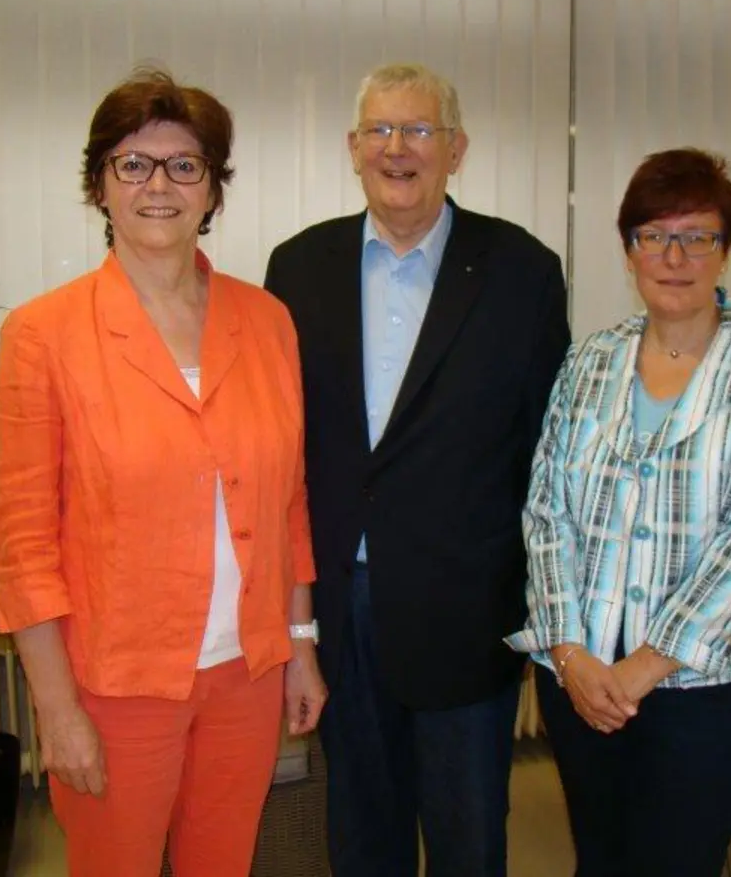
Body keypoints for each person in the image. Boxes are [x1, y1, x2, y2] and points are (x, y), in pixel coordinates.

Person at [0, 67, 327, 877]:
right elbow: (22, 545)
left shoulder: (267, 321)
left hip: (247, 672)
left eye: (184, 165)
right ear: (99, 187)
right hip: (116, 683)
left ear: (212, 191)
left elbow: (289, 503)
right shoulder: (45, 334)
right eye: (132, 164)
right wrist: (57, 710)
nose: (159, 185)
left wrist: (301, 645)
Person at [264, 63, 570, 877]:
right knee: (362, 830)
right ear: (353, 148)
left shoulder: (522, 271)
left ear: (457, 148)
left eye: (420, 130)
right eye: (380, 130)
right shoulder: (297, 270)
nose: (398, 148)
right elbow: (283, 448)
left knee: (470, 837)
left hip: (464, 609)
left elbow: (548, 455)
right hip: (341, 605)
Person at [506, 148, 731, 876]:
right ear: (629, 251)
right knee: (601, 860)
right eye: (654, 235)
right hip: (581, 679)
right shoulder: (590, 361)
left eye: (697, 236)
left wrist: (647, 665)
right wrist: (569, 652)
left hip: (705, 685)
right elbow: (546, 511)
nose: (674, 256)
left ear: (726, 249)